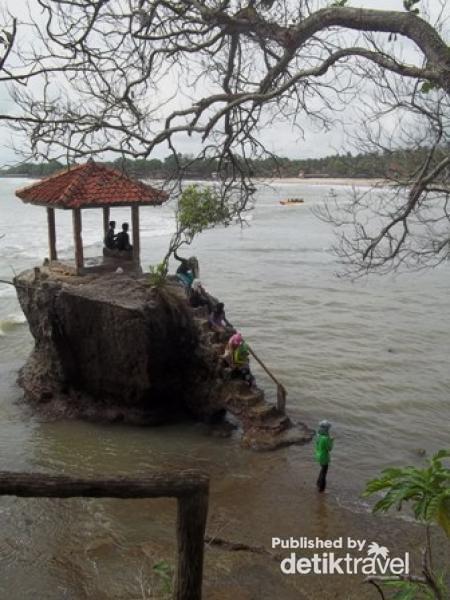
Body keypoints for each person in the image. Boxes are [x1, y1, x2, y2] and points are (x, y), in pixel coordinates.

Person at [315, 420, 334, 493]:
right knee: (324, 472)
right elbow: (329, 448)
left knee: (322, 470)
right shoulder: (325, 438)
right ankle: (321, 489)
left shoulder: (318, 435)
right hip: (324, 457)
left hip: (318, 455)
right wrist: (331, 441)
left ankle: (318, 483)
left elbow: (317, 444)